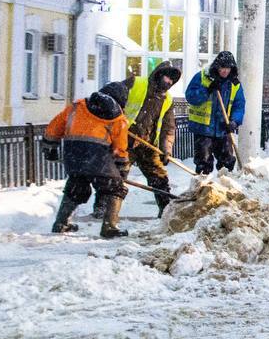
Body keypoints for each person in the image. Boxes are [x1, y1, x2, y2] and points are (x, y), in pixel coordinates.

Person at [43, 84, 130, 238]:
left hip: (73, 154)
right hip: (99, 157)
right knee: (116, 188)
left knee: (76, 186)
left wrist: (51, 147)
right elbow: (120, 149)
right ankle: (110, 227)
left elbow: (54, 127)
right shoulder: (118, 118)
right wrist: (121, 171)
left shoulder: (77, 107)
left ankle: (61, 223)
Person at [123, 61, 182, 217]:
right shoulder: (136, 83)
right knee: (116, 177)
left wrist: (166, 149)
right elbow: (113, 100)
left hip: (148, 145)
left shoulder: (167, 100)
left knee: (159, 177)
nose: (169, 83)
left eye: (172, 81)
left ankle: (166, 211)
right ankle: (104, 210)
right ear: (159, 74)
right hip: (125, 140)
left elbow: (168, 127)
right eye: (167, 78)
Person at [185, 50, 245, 174]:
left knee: (227, 161)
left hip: (223, 129)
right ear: (217, 66)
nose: (225, 71)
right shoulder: (202, 77)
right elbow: (191, 97)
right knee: (204, 162)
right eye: (223, 67)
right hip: (203, 129)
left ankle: (225, 186)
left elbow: (239, 105)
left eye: (228, 68)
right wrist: (207, 90)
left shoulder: (235, 85)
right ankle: (203, 186)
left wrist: (234, 122)